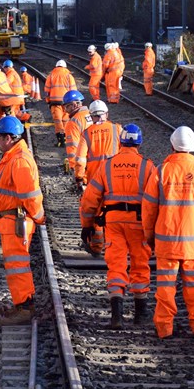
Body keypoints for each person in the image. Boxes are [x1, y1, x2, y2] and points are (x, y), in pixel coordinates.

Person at [142, 126, 194, 338]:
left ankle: (164, 329)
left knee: (165, 290)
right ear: (193, 147)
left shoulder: (161, 172)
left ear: (172, 146)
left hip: (166, 244)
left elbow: (148, 209)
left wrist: (150, 238)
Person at [81, 124, 155, 327]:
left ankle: (117, 315)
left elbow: (90, 198)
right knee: (140, 264)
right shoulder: (148, 167)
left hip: (113, 221)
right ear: (139, 143)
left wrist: (87, 224)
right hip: (139, 222)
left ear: (121, 141)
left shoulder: (107, 165)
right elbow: (156, 200)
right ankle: (141, 314)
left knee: (116, 264)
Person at [0, 116, 45, 326]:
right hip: (12, 220)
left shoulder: (19, 159)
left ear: (9, 138)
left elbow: (29, 194)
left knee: (17, 266)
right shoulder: (14, 156)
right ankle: (24, 303)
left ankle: (24, 307)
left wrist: (39, 217)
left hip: (16, 221)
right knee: (17, 265)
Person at [74, 99, 121, 186]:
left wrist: (79, 177)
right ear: (106, 114)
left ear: (91, 117)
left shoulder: (86, 134)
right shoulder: (117, 129)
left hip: (94, 179)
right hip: (115, 175)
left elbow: (80, 160)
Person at [45, 60, 77, 146]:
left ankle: (61, 141)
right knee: (66, 120)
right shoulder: (69, 76)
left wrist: (48, 101)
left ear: (56, 66)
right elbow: (73, 90)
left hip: (55, 102)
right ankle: (68, 139)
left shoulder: (51, 76)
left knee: (58, 121)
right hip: (67, 102)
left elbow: (47, 91)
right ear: (65, 67)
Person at [62, 90, 90, 174]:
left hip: (84, 163)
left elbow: (73, 147)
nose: (65, 111)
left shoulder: (73, 122)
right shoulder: (91, 114)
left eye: (66, 107)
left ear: (74, 105)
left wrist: (74, 167)